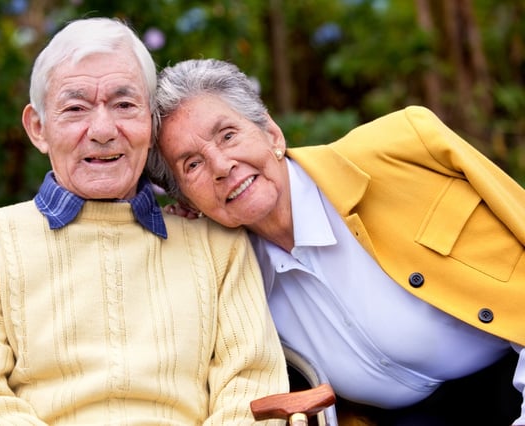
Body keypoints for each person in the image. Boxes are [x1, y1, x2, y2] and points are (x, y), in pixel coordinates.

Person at [0, 21, 289, 425]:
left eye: (124, 105)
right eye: (75, 108)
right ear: (38, 128)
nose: (103, 131)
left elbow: (253, 390)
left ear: (151, 126)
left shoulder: (216, 244)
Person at [147, 58, 525, 425]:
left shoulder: (404, 148)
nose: (221, 166)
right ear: (185, 200)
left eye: (228, 135)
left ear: (271, 133)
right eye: (192, 164)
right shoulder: (231, 272)